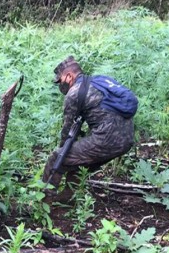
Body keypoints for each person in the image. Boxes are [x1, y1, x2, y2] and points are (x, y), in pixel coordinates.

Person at [42, 56, 138, 196]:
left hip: (106, 140)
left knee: (57, 158)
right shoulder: (99, 81)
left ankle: (43, 202)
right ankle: (66, 199)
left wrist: (63, 153)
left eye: (60, 80)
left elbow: (67, 131)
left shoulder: (74, 93)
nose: (60, 85)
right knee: (78, 160)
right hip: (127, 139)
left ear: (69, 76)